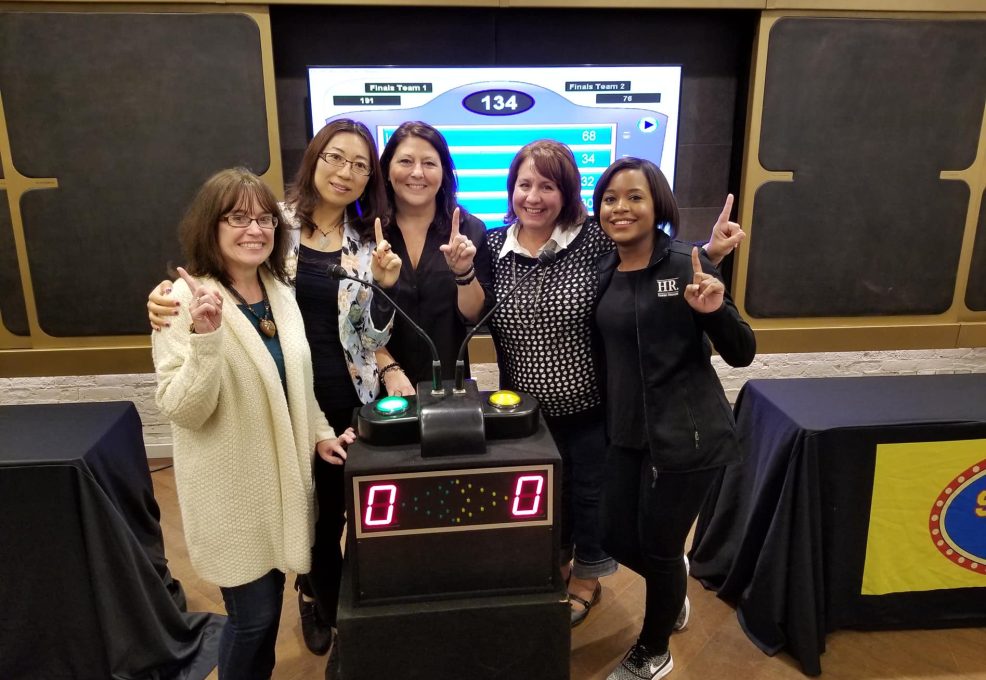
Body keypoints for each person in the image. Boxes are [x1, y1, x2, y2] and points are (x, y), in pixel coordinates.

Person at [148, 119, 401, 657]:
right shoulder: (273, 226)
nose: (346, 171)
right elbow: (207, 281)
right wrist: (179, 310)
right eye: (336, 156)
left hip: (333, 394)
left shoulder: (364, 243)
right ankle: (313, 596)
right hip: (256, 413)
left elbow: (368, 333)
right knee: (290, 556)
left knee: (336, 514)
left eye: (361, 165)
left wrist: (384, 291)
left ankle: (332, 601)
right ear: (314, 158)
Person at [485, 140, 743, 627]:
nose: (534, 196)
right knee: (560, 506)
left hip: (597, 405)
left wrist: (706, 256)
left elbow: (654, 265)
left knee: (594, 505)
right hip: (524, 412)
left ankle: (602, 581)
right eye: (524, 184)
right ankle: (588, 570)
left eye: (548, 185)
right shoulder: (494, 246)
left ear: (568, 194)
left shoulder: (593, 241)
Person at [591, 157, 755, 679]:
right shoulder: (606, 270)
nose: (621, 207)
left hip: (688, 437)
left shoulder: (687, 264)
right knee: (613, 536)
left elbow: (742, 352)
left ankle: (653, 651)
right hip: (626, 433)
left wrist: (715, 312)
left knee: (660, 546)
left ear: (657, 204)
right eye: (611, 198)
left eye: (635, 196)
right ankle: (671, 581)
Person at [372, 121, 494, 393]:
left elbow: (474, 314)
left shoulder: (469, 229)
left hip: (451, 384)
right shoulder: (366, 230)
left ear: (444, 174)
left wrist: (464, 273)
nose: (417, 173)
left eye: (429, 163)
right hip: (381, 386)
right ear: (387, 170)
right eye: (405, 161)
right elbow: (352, 318)